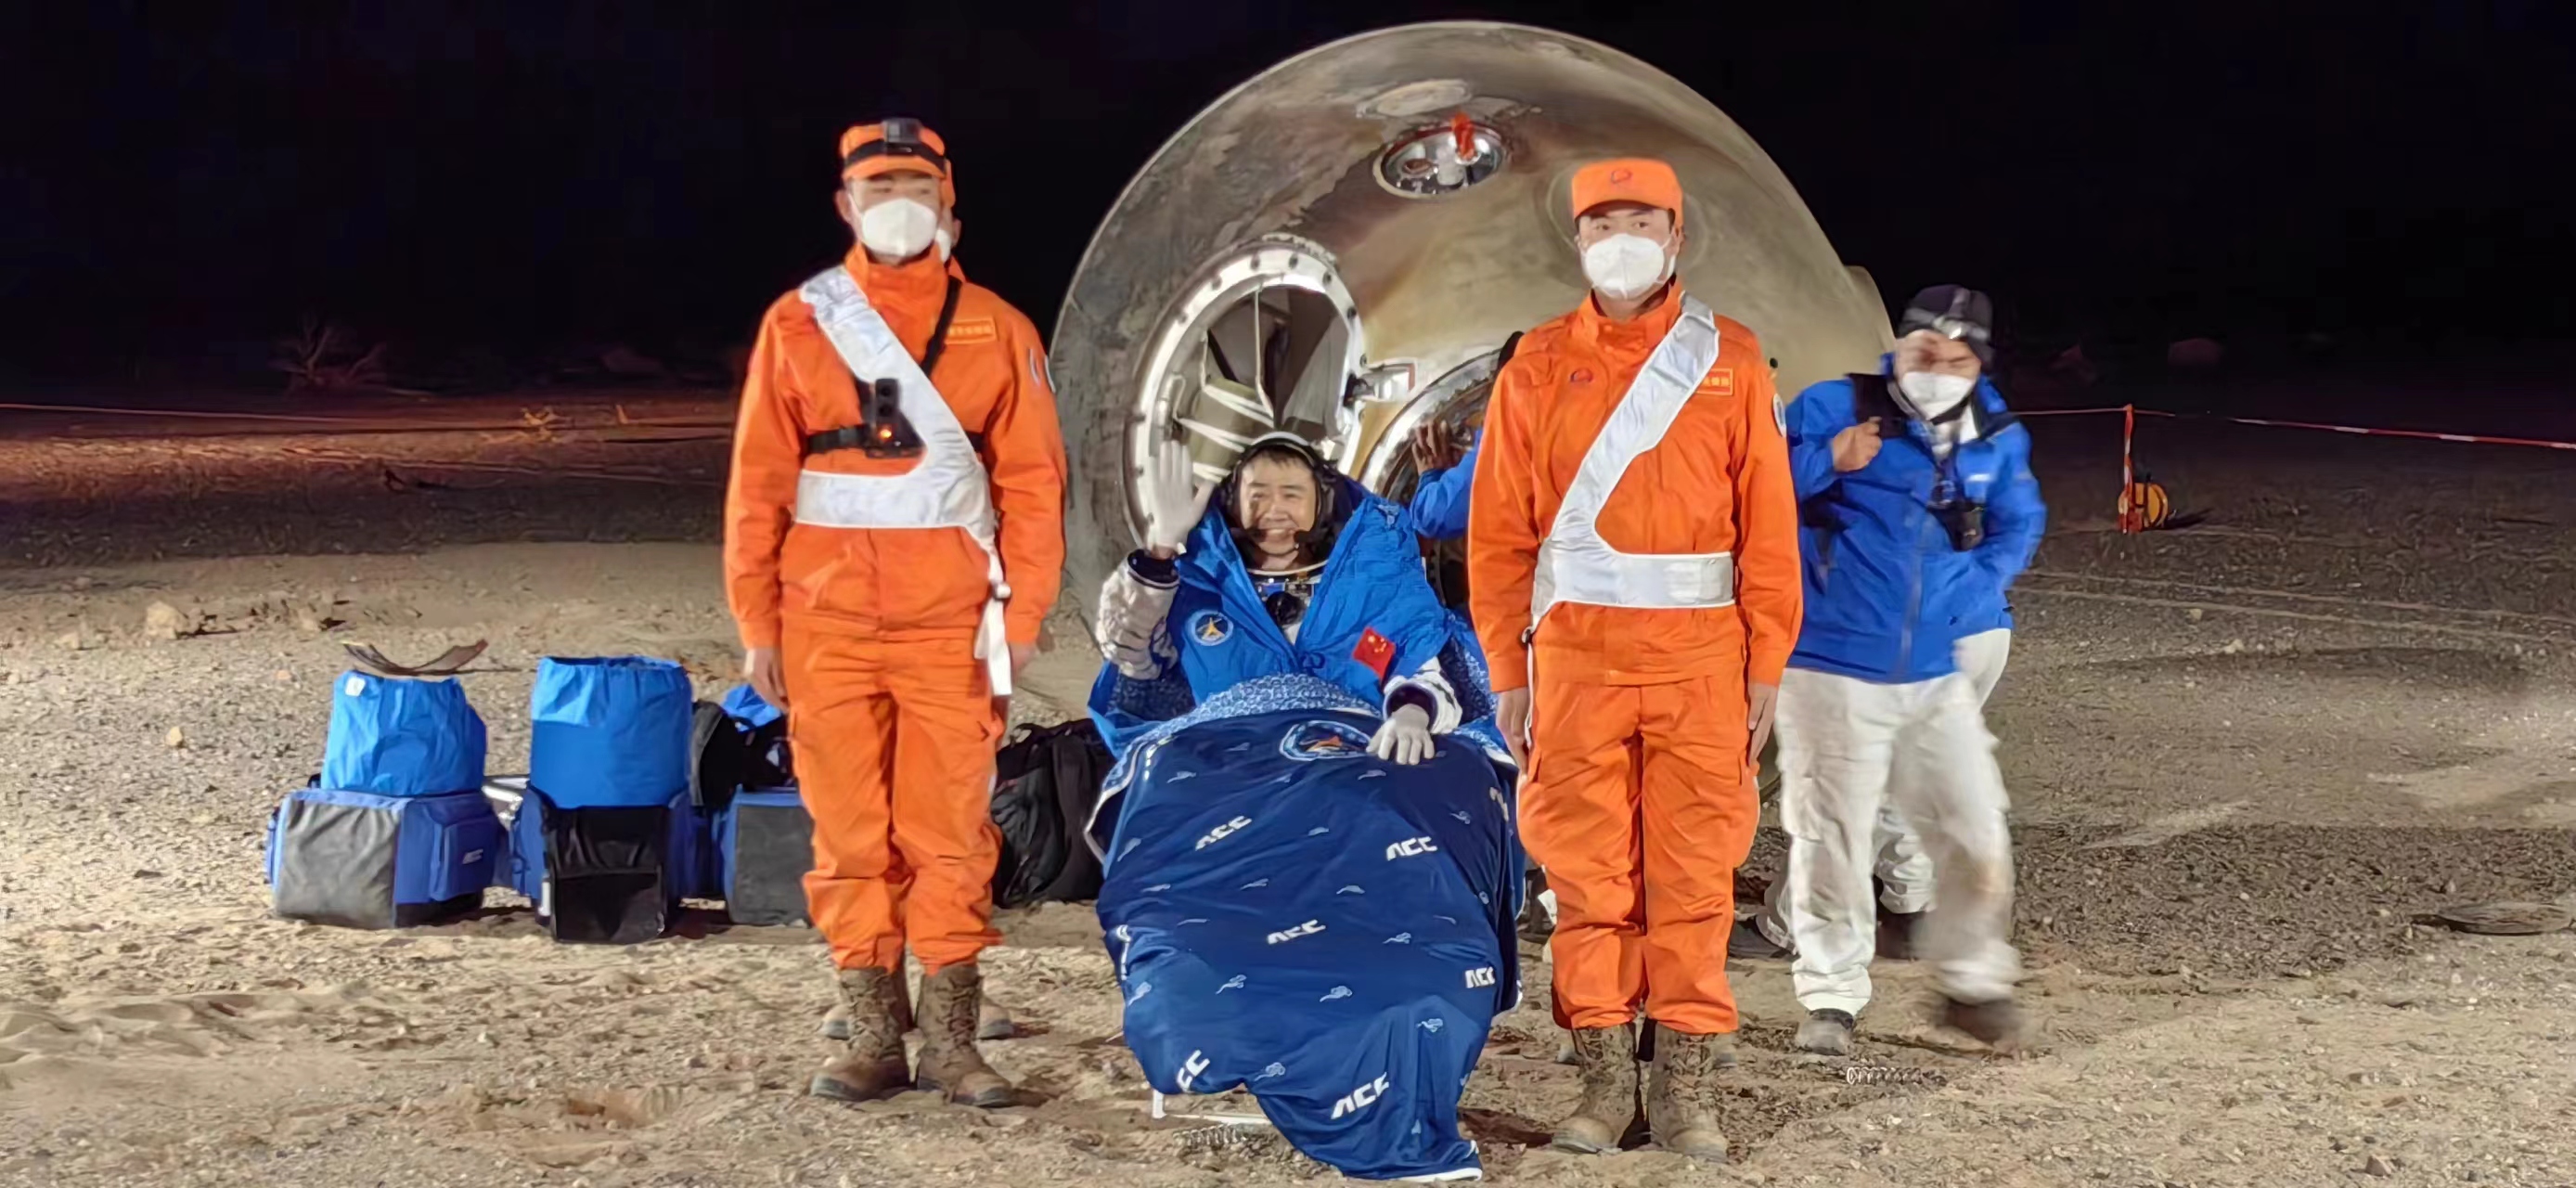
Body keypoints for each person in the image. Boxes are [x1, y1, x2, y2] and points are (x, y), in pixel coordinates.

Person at [723, 118, 1066, 1107]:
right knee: (848, 833)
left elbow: (1037, 482)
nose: (899, 201)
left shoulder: (997, 326)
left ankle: (952, 1038)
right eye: (879, 186)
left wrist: (1027, 611)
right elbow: (757, 484)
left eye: (916, 183)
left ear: (950, 203)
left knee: (950, 830)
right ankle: (872, 1026)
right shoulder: (796, 323)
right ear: (845, 205)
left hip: (951, 622)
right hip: (822, 621)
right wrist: (757, 623)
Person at [1467, 158, 1802, 1160]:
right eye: (1602, 219)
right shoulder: (1532, 363)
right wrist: (1507, 674)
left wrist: (1766, 663)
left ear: (1676, 231)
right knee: (1585, 877)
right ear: (1576, 239)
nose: (1622, 235)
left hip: (1702, 658)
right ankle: (1606, 1084)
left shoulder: (1732, 359)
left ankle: (1686, 1087)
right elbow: (1499, 536)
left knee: (1697, 875)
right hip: (1572, 660)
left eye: (1641, 218)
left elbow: (1767, 527)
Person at [1772, 286, 2043, 1057]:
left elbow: (2018, 521)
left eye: (1956, 359)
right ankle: (1831, 995)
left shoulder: (1993, 430)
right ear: (1900, 344)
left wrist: (1976, 588)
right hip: (1831, 662)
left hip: (1934, 667)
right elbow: (1757, 491)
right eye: (1925, 352)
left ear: (1977, 362)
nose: (1937, 368)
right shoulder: (1832, 405)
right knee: (1832, 832)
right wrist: (1827, 459)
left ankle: (1972, 980)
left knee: (1973, 822)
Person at [1094, 431, 1463, 757]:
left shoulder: (1374, 585)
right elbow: (1128, 650)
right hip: (1227, 774)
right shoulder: (1194, 589)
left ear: (1323, 503)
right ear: (1232, 504)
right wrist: (1159, 552)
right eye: (1257, 496)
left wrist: (1412, 712)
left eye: (1291, 495)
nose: (1274, 510)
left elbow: (1415, 664)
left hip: (1351, 769)